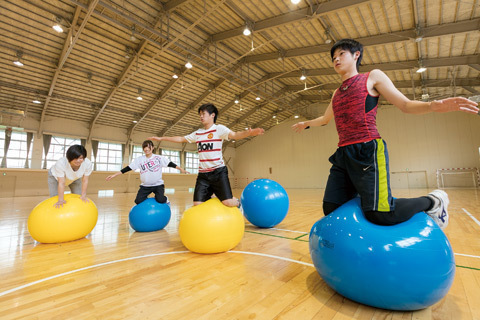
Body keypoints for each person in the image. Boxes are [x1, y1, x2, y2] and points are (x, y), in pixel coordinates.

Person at [292, 38, 479, 229]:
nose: (336, 60)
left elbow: (405, 105)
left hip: (368, 150)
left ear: (356, 55)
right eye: (333, 57)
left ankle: (433, 201)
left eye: (341, 54)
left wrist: (432, 106)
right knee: (331, 207)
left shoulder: (372, 77)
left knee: (381, 214)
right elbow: (325, 119)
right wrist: (306, 123)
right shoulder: (337, 93)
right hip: (343, 155)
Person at [148, 103, 265, 207]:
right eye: (200, 114)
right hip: (203, 175)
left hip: (218, 172)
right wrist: (161, 138)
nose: (201, 116)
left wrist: (249, 133)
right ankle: (214, 196)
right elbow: (181, 139)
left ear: (212, 115)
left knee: (228, 202)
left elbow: (234, 135)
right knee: (197, 204)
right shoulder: (198, 133)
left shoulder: (219, 129)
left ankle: (237, 202)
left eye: (203, 114)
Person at [106, 140, 188, 205]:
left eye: (148, 147)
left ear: (152, 147)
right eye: (144, 147)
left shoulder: (158, 158)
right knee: (138, 201)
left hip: (158, 185)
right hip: (145, 186)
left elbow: (170, 164)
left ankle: (166, 198)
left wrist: (181, 169)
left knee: (160, 199)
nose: (146, 149)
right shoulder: (139, 159)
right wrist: (114, 175)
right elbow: (127, 168)